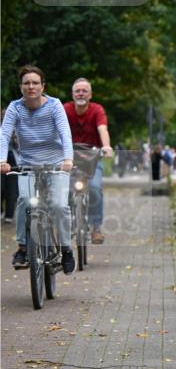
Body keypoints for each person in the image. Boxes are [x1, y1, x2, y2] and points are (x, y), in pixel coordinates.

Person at [0, 65, 76, 274]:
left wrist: (68, 159)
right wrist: (1, 160)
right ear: (21, 87)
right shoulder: (15, 108)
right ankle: (23, 247)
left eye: (35, 83)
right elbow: (4, 135)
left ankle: (66, 248)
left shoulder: (54, 106)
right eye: (26, 83)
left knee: (60, 206)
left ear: (43, 86)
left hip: (56, 165)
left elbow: (65, 134)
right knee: (25, 201)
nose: (31, 86)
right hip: (28, 165)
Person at [63, 78, 114, 244]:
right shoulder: (65, 109)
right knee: (67, 190)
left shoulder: (97, 109)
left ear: (90, 94)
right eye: (77, 90)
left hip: (92, 158)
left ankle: (95, 228)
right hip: (70, 158)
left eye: (84, 90)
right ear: (72, 94)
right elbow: (57, 129)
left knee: (95, 188)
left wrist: (106, 146)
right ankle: (71, 222)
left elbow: (102, 129)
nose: (80, 93)